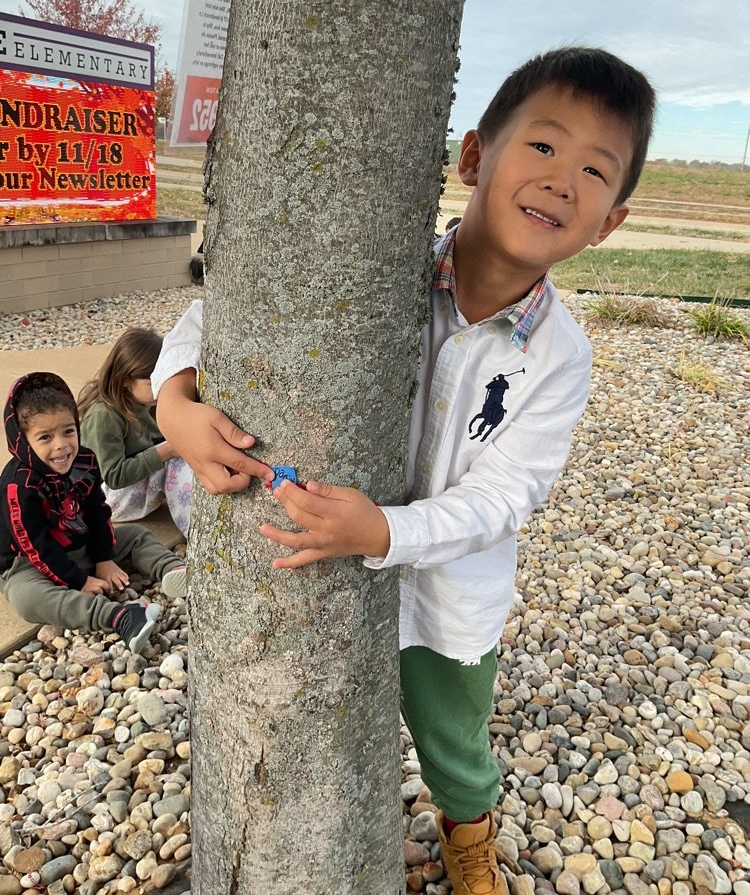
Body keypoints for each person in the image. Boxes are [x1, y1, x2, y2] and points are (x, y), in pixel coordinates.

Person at [152, 47, 656, 894]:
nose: (563, 181)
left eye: (594, 171)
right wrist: (172, 402)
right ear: (473, 159)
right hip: (322, 581)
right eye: (542, 147)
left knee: (454, 742)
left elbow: (506, 496)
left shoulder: (561, 358)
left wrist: (387, 530)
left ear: (609, 222)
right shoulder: (374, 273)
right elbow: (221, 315)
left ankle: (468, 832)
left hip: (450, 599)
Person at [0, 373, 187, 654]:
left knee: (135, 535)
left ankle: (175, 570)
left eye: (68, 431)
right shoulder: (19, 485)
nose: (61, 444)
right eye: (45, 437)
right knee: (26, 600)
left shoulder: (84, 460)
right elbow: (35, 545)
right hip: (28, 564)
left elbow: (98, 511)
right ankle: (118, 617)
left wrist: (104, 558)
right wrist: (79, 581)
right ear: (23, 441)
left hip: (80, 544)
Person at [78, 328, 193, 537]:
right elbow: (113, 476)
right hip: (105, 498)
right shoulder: (103, 416)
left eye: (164, 379)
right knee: (176, 461)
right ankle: (194, 531)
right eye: (152, 382)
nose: (160, 387)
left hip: (130, 486)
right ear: (124, 379)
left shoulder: (146, 402)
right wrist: (168, 450)